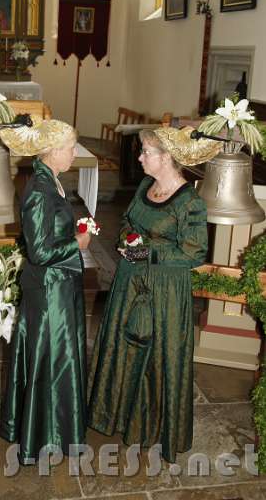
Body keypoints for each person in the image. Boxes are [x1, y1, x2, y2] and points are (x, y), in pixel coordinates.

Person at [87, 126, 222, 464]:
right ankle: (115, 415)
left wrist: (147, 252)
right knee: (122, 347)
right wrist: (127, 240)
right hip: (129, 282)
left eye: (146, 152)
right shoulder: (145, 186)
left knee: (156, 357)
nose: (139, 158)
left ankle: (152, 427)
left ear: (166, 158)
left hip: (164, 292)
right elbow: (127, 221)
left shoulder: (190, 202)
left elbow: (194, 253)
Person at [0, 118, 91, 464]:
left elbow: (49, 233)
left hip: (60, 284)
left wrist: (72, 230)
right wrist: (77, 242)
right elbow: (39, 252)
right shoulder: (39, 190)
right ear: (51, 151)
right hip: (50, 290)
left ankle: (59, 428)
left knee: (58, 359)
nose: (74, 154)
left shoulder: (51, 179)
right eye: (70, 148)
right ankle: (46, 436)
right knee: (53, 360)